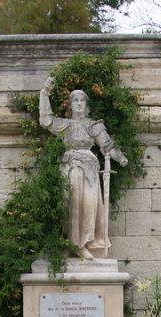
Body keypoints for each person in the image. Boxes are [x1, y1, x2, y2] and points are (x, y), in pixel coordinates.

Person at [39, 77, 128, 260]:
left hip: (89, 169)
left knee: (88, 205)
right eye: (75, 100)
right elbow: (46, 120)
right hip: (69, 167)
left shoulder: (93, 125)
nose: (78, 103)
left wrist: (121, 158)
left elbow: (107, 146)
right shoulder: (64, 125)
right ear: (70, 105)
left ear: (86, 104)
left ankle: (83, 244)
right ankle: (69, 244)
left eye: (82, 100)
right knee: (70, 204)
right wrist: (44, 93)